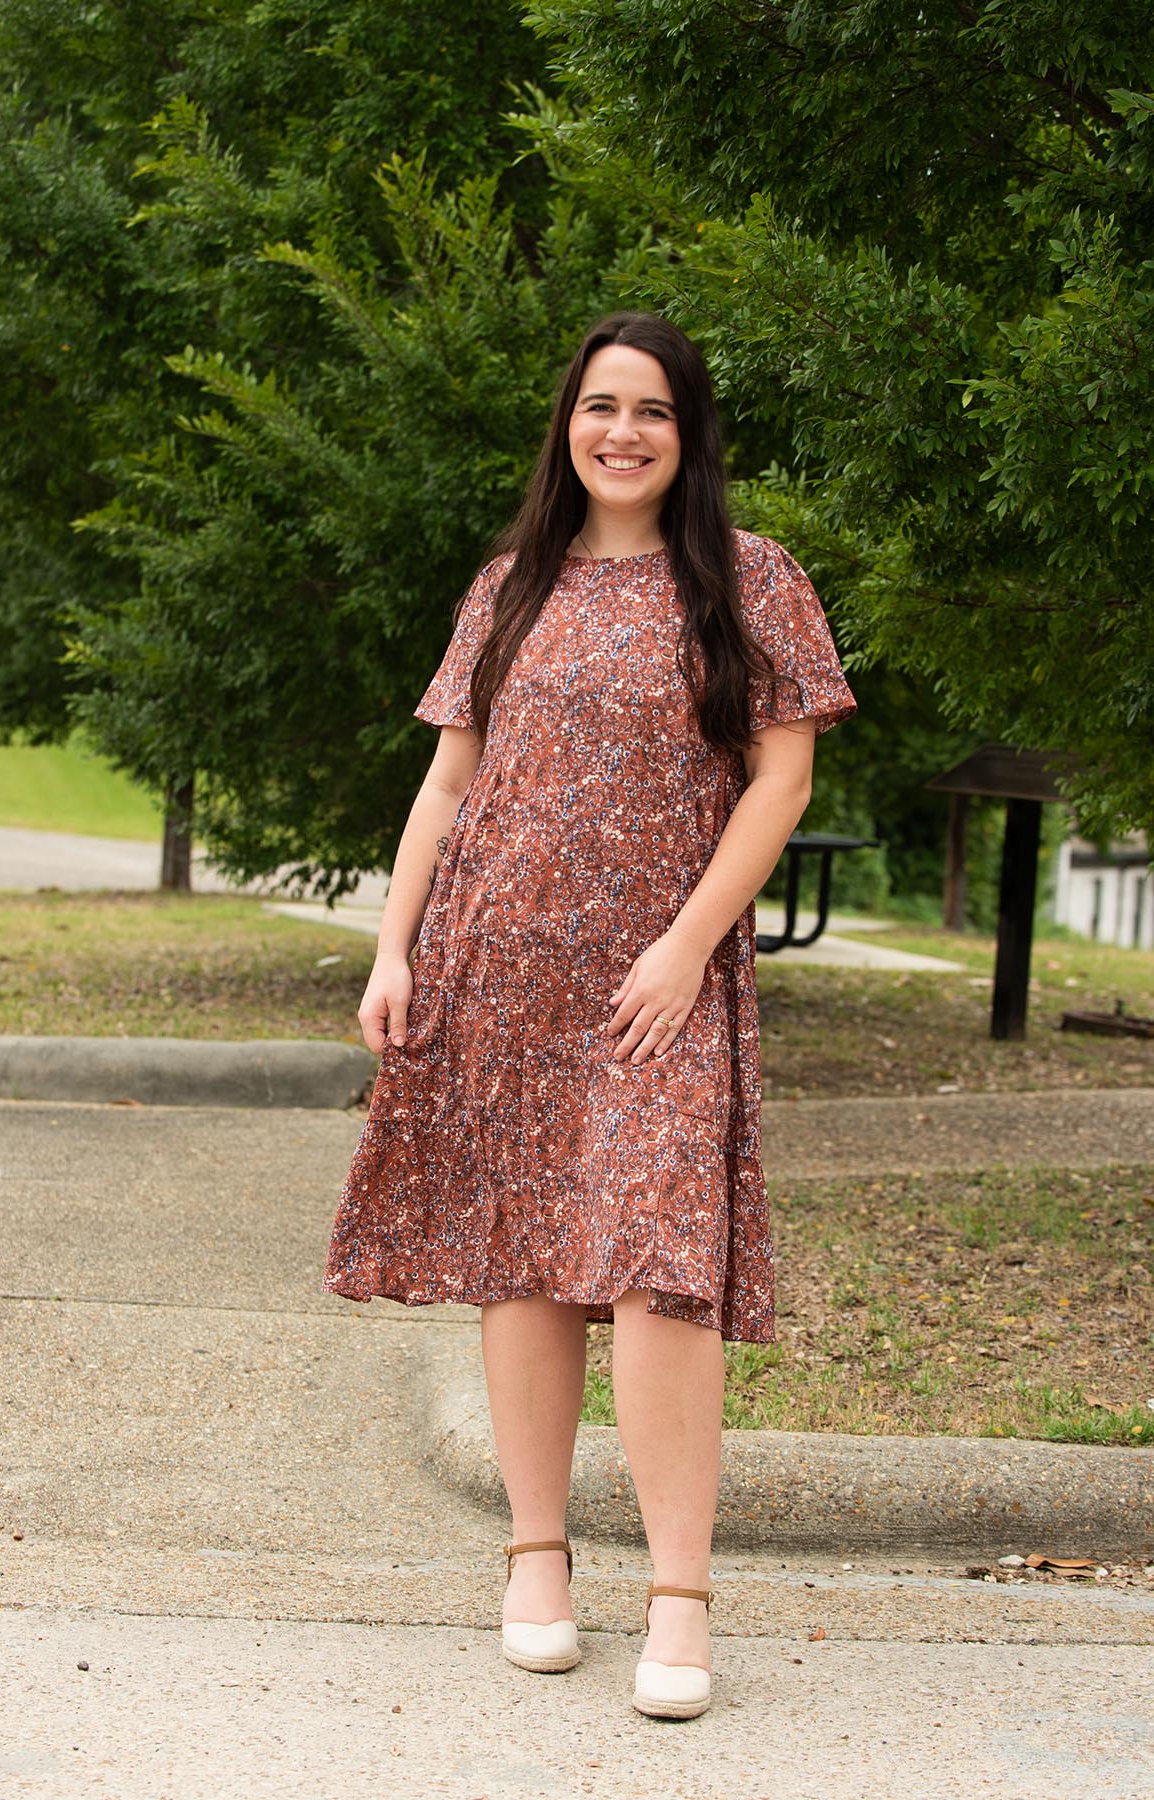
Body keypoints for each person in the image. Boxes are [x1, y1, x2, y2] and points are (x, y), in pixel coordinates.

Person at [324, 310, 856, 1720]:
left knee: (658, 1268)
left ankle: (680, 1594)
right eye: (600, 407)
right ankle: (537, 1562)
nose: (622, 433)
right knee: (526, 1257)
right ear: (568, 424)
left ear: (691, 438)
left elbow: (781, 783)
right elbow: (449, 786)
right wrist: (394, 949)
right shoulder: (511, 587)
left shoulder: (750, 582)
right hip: (497, 965)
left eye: (654, 413)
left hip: (654, 982)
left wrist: (688, 944)